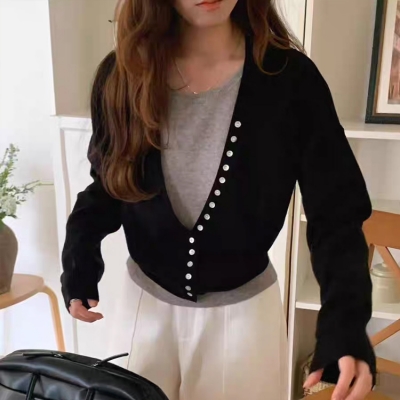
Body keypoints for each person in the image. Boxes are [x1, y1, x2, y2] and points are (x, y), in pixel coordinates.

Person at [61, 0, 376, 399]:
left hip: (243, 320)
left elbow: (336, 213)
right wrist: (79, 260)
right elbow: (107, 185)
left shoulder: (291, 80)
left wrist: (345, 326)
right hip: (143, 310)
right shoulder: (122, 74)